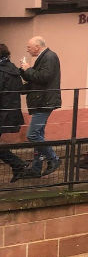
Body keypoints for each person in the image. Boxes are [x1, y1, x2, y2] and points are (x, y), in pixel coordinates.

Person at [19, 36, 61, 177]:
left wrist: (28, 69)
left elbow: (44, 77)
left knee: (32, 135)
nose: (27, 49)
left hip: (44, 102)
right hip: (41, 101)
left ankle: (53, 158)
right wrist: (24, 71)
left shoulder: (50, 57)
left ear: (37, 47)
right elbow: (35, 79)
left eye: (29, 47)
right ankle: (36, 169)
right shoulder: (45, 57)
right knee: (38, 135)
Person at [0, 44, 28, 182]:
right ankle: (18, 165)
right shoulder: (13, 70)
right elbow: (21, 89)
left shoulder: (1, 71)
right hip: (10, 113)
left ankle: (18, 164)